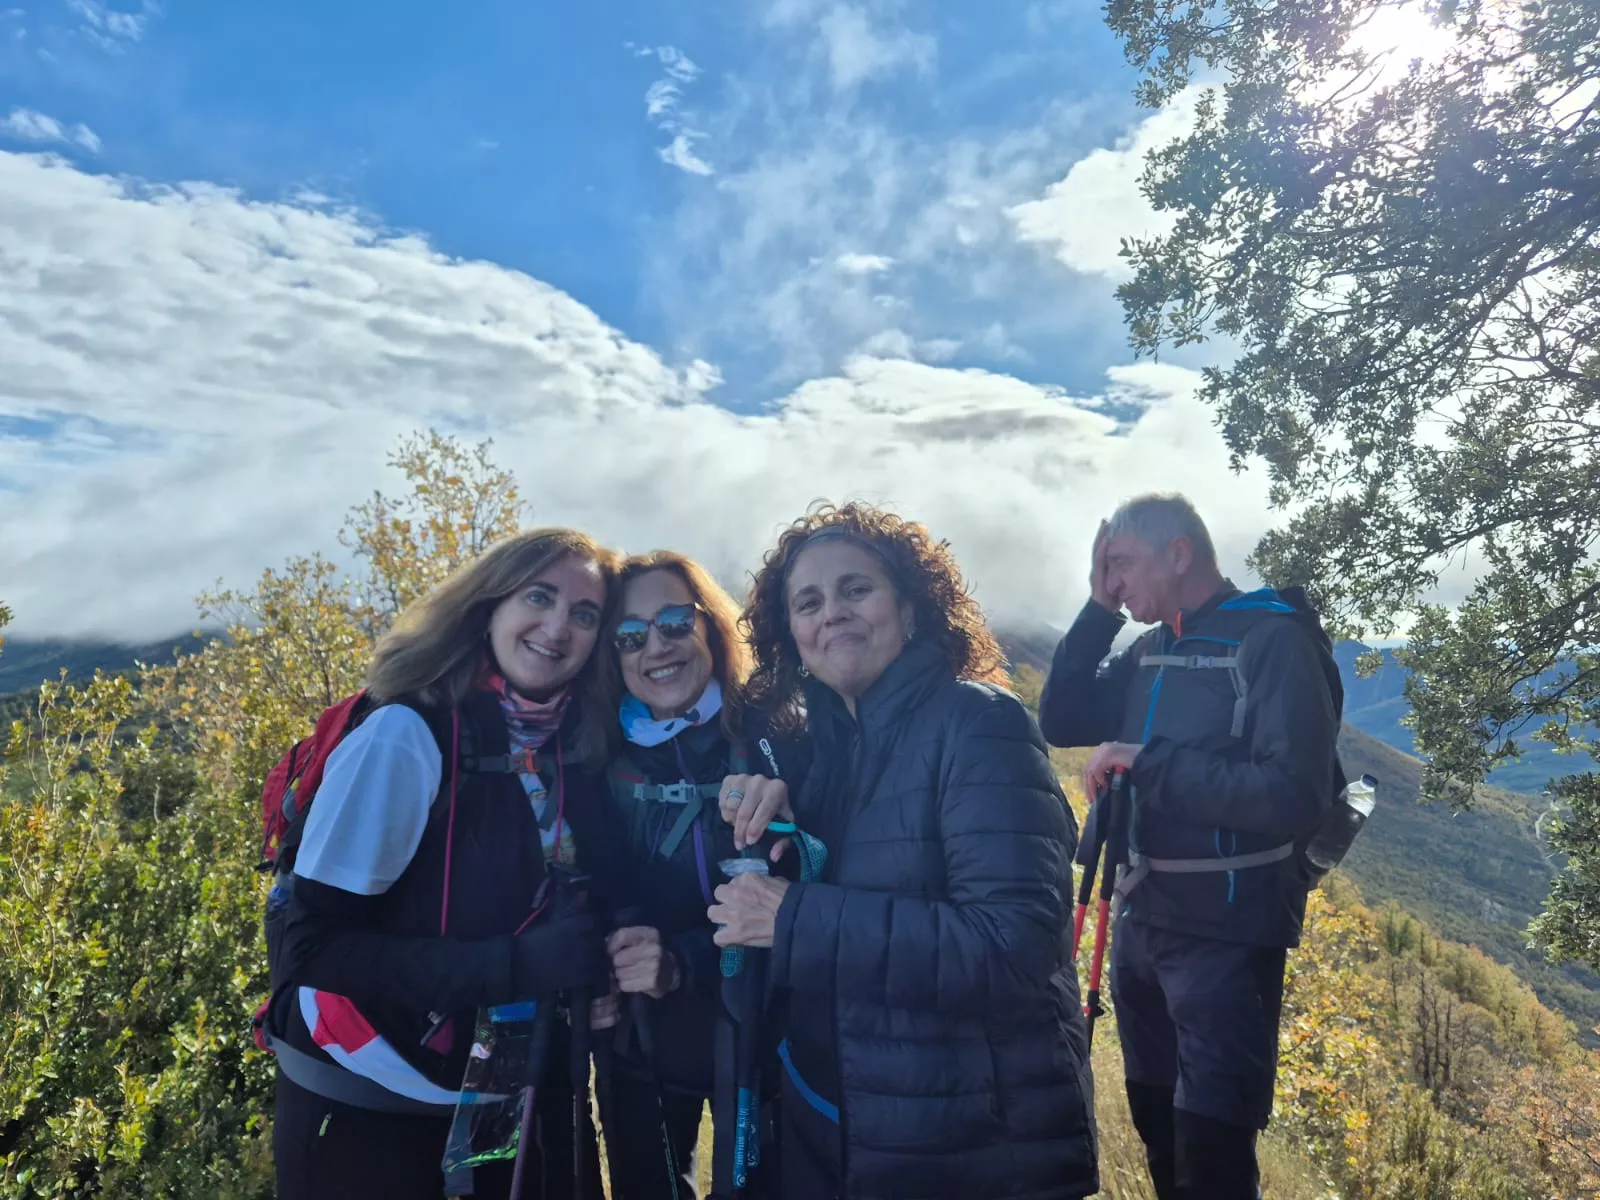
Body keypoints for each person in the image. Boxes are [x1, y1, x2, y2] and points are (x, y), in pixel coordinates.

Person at [710, 502, 1099, 1200]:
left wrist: (791, 916)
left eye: (856, 589)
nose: (832, 612)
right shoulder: (824, 754)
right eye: (808, 602)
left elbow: (1015, 945)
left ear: (913, 609)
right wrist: (774, 827)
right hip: (848, 1138)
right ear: (792, 637)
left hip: (973, 1153)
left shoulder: (979, 725)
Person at [269, 528, 628, 1200]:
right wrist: (528, 967)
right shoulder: (407, 735)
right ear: (489, 605)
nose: (558, 627)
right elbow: (310, 948)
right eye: (539, 597)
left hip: (504, 1097)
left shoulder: (572, 740)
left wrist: (605, 957)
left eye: (584, 614)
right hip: (369, 1103)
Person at [1037, 494, 1340, 1200]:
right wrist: (1096, 609)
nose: (1115, 582)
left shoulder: (1274, 640)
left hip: (1227, 933)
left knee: (1214, 1149)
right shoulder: (1154, 646)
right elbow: (1061, 717)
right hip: (1143, 920)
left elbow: (1295, 793)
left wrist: (1148, 763)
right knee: (1155, 1121)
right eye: (1105, 569)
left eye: (1122, 566)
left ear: (1179, 554)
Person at [597, 551, 799, 1199]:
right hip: (645, 1046)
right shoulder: (595, 753)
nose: (656, 646)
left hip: (771, 1044)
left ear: (711, 626)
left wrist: (795, 832)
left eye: (675, 622)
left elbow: (830, 879)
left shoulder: (780, 733)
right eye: (631, 636)